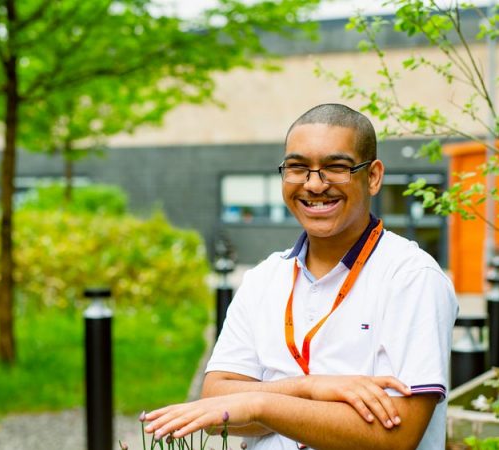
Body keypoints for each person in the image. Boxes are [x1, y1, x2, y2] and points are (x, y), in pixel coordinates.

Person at [145, 103, 458, 449]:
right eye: (297, 168)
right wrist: (309, 387)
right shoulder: (263, 279)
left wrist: (258, 402)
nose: (314, 184)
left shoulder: (410, 277)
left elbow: (397, 434)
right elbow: (217, 397)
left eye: (336, 168)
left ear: (372, 177)